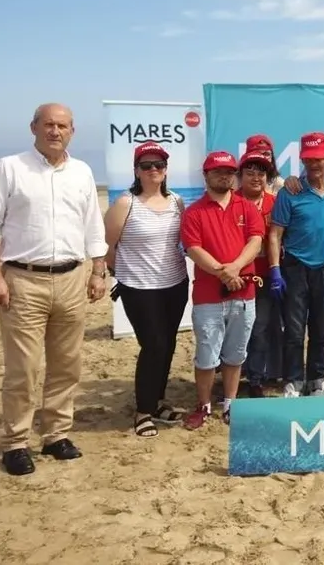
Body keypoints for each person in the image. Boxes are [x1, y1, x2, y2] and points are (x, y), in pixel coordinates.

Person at [0, 103, 107, 476]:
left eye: (63, 125)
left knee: (67, 365)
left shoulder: (81, 172)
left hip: (71, 279)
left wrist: (98, 271)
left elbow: (92, 227)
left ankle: (55, 435)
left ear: (73, 131)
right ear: (33, 127)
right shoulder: (10, 167)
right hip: (22, 280)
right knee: (23, 369)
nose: (55, 131)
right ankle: (16, 442)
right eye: (48, 124)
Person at [103, 141, 189, 437]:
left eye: (159, 165)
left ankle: (158, 401)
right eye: (146, 165)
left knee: (168, 345)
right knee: (152, 346)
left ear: (166, 170)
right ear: (136, 171)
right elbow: (108, 246)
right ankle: (143, 411)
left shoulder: (177, 201)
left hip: (175, 284)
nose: (153, 170)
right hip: (139, 288)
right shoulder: (126, 203)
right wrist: (122, 274)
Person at [179, 151, 264, 429]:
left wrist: (235, 268)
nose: (224, 176)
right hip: (208, 296)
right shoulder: (194, 212)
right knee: (206, 355)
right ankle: (203, 405)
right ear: (206, 176)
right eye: (218, 172)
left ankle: (230, 403)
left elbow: (255, 241)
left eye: (229, 172)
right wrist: (223, 273)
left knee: (236, 354)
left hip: (243, 293)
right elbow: (193, 249)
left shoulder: (247, 207)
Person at [268, 132, 324, 398]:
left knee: (321, 327)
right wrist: (274, 270)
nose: (313, 165)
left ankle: (317, 380)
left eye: (318, 159)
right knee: (294, 329)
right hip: (295, 266)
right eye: (308, 160)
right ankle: (293, 380)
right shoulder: (290, 192)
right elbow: (275, 234)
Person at [236, 149, 279, 398]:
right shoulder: (230, 201)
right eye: (249, 172)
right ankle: (231, 372)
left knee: (260, 328)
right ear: (240, 175)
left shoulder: (276, 203)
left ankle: (255, 378)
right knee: (236, 329)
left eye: (261, 173)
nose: (255, 177)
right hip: (237, 278)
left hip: (266, 277)